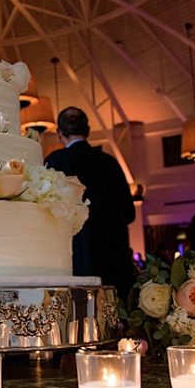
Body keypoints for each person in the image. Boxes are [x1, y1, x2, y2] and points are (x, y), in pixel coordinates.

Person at [44, 107, 136, 293]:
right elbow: (129, 214)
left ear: (59, 133)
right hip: (115, 261)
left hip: (78, 261)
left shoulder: (56, 161)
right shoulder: (110, 163)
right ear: (87, 130)